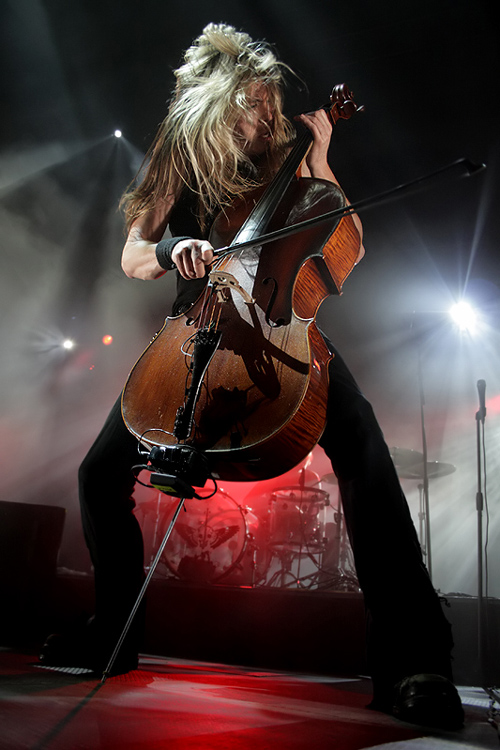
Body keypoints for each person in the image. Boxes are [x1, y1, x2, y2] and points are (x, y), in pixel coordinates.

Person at [41, 23, 464, 728]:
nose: (264, 119)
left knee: (363, 450)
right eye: (250, 106)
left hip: (279, 326)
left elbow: (340, 235)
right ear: (211, 104)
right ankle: (113, 637)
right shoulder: (179, 151)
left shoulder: (286, 153)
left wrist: (320, 155)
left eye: (269, 105)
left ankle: (415, 660)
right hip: (193, 329)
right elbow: (133, 252)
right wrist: (179, 245)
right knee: (97, 476)